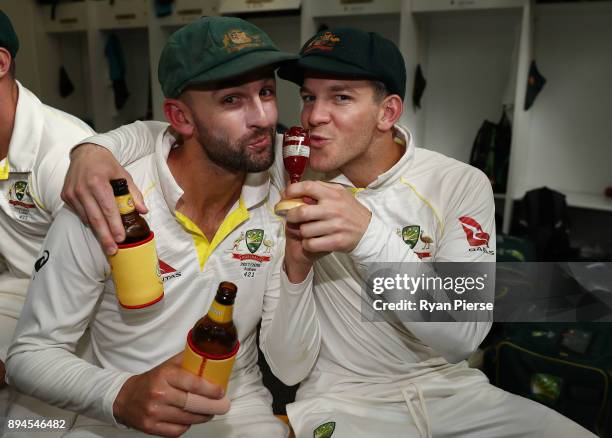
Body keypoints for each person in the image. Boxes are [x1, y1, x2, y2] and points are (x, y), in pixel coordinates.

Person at [58, 28, 595, 438]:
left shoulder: (457, 182)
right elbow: (186, 133)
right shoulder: (285, 176)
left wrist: (369, 238)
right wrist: (91, 149)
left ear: (387, 112)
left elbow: (462, 337)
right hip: (343, 404)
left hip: (454, 390)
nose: (313, 116)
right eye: (308, 97)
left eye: (340, 97)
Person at [6, 16, 296, 438]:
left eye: (267, 92)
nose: (265, 118)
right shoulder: (106, 199)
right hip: (122, 416)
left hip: (259, 408)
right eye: (233, 100)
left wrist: (364, 242)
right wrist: (120, 394)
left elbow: (427, 332)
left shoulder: (293, 180)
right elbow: (29, 354)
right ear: (180, 117)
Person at [0, 9, 109, 432]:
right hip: (20, 287)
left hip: (86, 309)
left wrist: (13, 365)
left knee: (26, 431)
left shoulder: (62, 153)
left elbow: (100, 289)